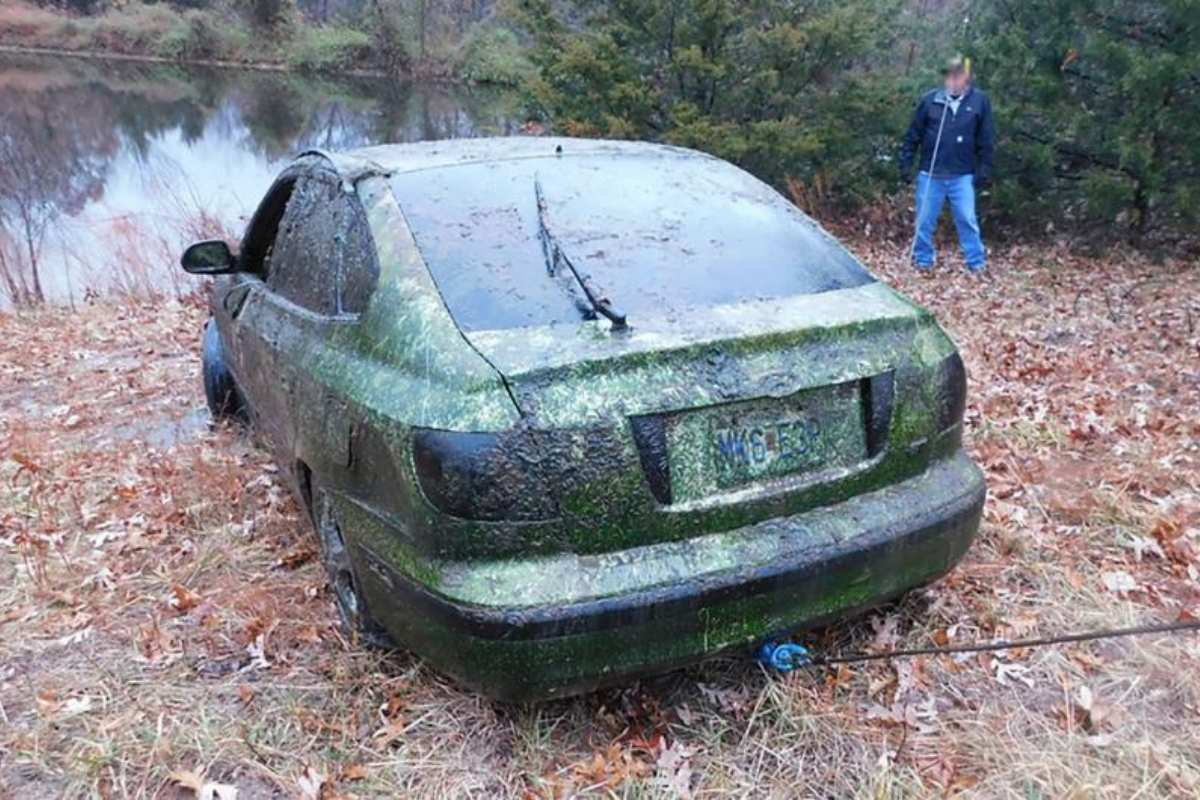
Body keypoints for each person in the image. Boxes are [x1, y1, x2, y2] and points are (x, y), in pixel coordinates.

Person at [899, 55, 995, 274]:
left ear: (966, 78)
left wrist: (984, 170)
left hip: (962, 175)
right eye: (949, 76)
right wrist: (906, 163)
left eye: (957, 76)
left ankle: (976, 263)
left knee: (967, 219)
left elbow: (986, 139)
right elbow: (913, 135)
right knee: (924, 220)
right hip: (930, 174)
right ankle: (923, 260)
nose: (952, 80)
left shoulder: (979, 102)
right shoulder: (930, 101)